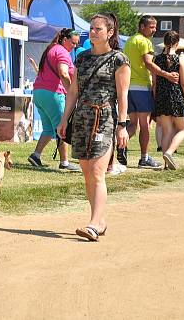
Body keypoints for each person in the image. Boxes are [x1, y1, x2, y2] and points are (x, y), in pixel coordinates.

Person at [58, 13, 130, 241]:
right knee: (87, 172)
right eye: (91, 28)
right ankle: (99, 220)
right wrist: (64, 119)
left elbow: (123, 94)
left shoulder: (119, 59)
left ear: (110, 33)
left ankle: (94, 224)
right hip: (82, 118)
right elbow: (73, 91)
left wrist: (122, 125)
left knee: (98, 172)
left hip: (104, 117)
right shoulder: (82, 58)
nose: (92, 32)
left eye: (98, 29)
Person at [122, 15, 176, 169]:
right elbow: (148, 63)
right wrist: (166, 74)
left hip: (128, 87)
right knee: (145, 125)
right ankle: (144, 158)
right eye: (151, 27)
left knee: (132, 123)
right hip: (141, 86)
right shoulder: (145, 42)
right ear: (142, 27)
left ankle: (114, 146)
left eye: (155, 27)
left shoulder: (130, 40)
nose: (154, 30)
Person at [27, 28, 81, 171]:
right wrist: (71, 92)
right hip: (53, 94)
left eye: (77, 44)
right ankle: (64, 162)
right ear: (65, 40)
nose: (74, 46)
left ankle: (36, 155)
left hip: (39, 93)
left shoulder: (51, 49)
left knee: (49, 129)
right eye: (73, 43)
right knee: (61, 128)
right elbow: (64, 73)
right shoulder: (62, 52)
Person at [152, 31, 184, 169]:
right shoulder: (180, 59)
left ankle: (166, 165)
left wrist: (155, 98)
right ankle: (169, 152)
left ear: (164, 42)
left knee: (166, 131)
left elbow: (155, 83)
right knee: (182, 129)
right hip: (177, 96)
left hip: (161, 97)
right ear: (177, 43)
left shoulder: (157, 59)